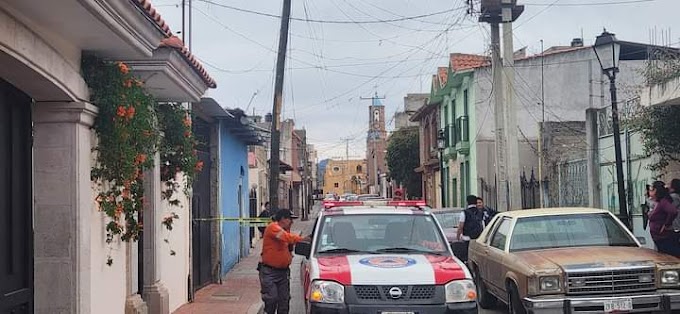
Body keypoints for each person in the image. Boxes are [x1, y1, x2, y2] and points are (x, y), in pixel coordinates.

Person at [258, 209, 309, 314]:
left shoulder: (285, 230)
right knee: (271, 299)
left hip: (283, 273)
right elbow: (287, 238)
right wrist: (303, 239)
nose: (292, 222)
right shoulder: (273, 228)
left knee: (284, 302)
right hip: (269, 272)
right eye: (290, 219)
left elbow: (289, 244)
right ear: (283, 219)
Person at [647, 181, 680, 257]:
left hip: (664, 237)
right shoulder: (657, 202)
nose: (650, 192)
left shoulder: (663, 202)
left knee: (670, 255)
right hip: (658, 237)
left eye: (652, 190)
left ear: (656, 190)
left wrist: (666, 225)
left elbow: (673, 211)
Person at [456, 195, 485, 263]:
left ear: (467, 202)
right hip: (478, 238)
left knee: (467, 255)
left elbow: (461, 226)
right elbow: (483, 225)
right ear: (475, 202)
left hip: (467, 238)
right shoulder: (480, 212)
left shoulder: (464, 212)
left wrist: (458, 236)